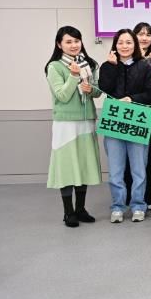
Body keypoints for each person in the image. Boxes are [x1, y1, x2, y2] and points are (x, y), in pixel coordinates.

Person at [45, 26, 102, 227]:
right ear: (59, 44)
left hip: (86, 120)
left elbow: (97, 91)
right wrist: (74, 76)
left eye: (76, 41)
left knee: (83, 164)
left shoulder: (90, 64)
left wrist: (90, 89)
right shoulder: (54, 66)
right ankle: (68, 212)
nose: (73, 45)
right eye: (68, 42)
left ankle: (81, 209)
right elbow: (62, 95)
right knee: (67, 165)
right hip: (65, 123)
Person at [99, 28, 151, 223]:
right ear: (115, 45)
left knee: (139, 169)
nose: (124, 46)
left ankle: (138, 205)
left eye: (129, 42)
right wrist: (112, 66)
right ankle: (118, 206)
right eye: (120, 42)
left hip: (137, 120)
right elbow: (104, 88)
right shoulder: (107, 65)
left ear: (135, 45)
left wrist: (132, 99)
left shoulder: (144, 66)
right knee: (115, 170)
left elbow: (150, 94)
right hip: (115, 122)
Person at [133, 22, 151, 209]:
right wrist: (143, 59)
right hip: (132, 114)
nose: (144, 38)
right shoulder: (125, 57)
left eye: (148, 34)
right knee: (134, 159)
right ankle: (133, 197)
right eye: (140, 34)